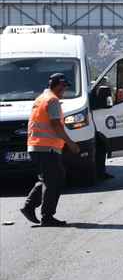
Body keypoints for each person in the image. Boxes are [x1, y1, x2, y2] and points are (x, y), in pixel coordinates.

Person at [20, 73, 81, 227]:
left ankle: (30, 206)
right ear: (59, 86)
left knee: (51, 179)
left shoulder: (40, 99)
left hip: (37, 146)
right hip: (46, 147)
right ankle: (46, 216)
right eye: (65, 87)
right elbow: (55, 124)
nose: (65, 90)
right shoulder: (52, 100)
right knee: (53, 180)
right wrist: (70, 142)